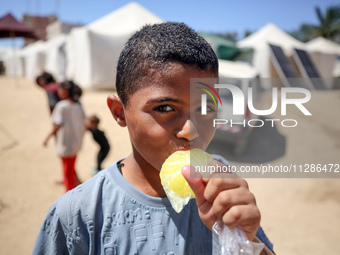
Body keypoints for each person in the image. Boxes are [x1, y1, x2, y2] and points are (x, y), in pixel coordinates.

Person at [33, 22, 274, 254]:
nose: (190, 130)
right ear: (119, 112)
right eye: (165, 108)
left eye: (205, 109)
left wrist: (247, 241)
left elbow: (252, 245)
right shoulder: (77, 214)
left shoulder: (220, 182)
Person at [43, 80, 86, 192]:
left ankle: (69, 193)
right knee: (70, 167)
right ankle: (74, 183)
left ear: (66, 91)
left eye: (61, 90)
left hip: (66, 144)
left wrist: (47, 138)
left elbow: (56, 125)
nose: (59, 92)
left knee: (67, 171)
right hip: (76, 143)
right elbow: (84, 123)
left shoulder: (61, 106)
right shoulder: (78, 105)